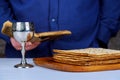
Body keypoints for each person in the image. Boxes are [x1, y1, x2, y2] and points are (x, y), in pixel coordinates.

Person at [0, 0, 120, 58]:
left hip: (86, 57)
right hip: (23, 60)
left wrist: (102, 36)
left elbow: (112, 4)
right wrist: (12, 32)